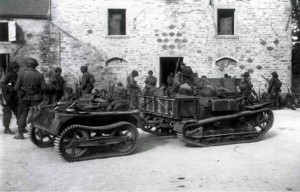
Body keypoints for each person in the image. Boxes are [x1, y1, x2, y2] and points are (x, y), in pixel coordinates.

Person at [14, 58, 45, 139]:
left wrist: (23, 92)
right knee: (37, 114)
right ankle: (39, 133)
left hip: (25, 98)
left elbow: (16, 87)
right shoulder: (39, 75)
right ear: (35, 66)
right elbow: (44, 88)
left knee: (23, 114)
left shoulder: (21, 74)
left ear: (27, 65)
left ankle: (20, 133)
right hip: (36, 98)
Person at [0, 62, 20, 134]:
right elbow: (2, 84)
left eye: (17, 68)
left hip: (13, 97)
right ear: (12, 68)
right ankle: (6, 128)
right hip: (6, 97)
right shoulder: (8, 75)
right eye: (16, 68)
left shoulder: (15, 75)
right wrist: (10, 88)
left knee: (18, 112)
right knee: (7, 113)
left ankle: (21, 127)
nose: (17, 69)